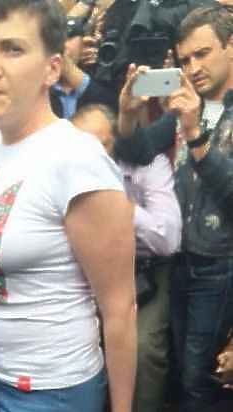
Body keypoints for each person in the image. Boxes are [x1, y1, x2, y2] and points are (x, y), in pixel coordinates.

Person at [0, 1, 136, 412]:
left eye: (12, 49)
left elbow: (120, 308)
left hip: (53, 392)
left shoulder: (77, 160)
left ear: (52, 68)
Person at [115, 5, 233, 411]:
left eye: (202, 54)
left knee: (200, 381)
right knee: (184, 373)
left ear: (231, 46)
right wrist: (127, 116)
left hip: (221, 264)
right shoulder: (188, 103)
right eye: (185, 60)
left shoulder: (195, 113)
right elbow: (138, 150)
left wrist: (195, 134)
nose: (193, 67)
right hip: (182, 260)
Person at [72, 104, 182, 412]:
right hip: (84, 269)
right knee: (75, 338)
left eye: (102, 145)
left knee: (142, 348)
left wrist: (119, 206)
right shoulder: (63, 171)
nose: (94, 156)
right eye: (84, 147)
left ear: (117, 141)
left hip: (145, 269)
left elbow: (168, 239)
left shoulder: (149, 163)